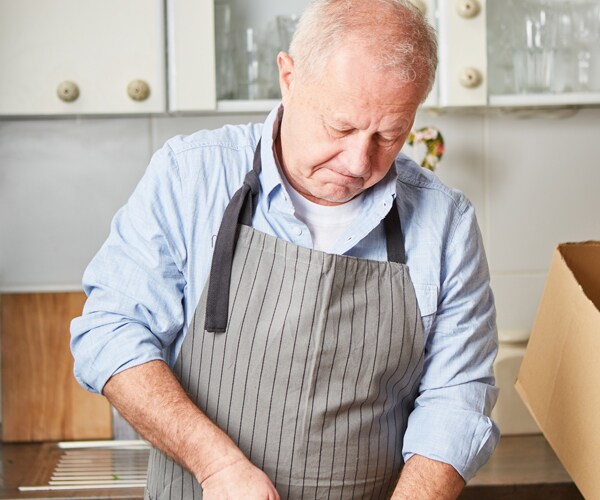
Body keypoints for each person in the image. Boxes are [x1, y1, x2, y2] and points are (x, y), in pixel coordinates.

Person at [71, 0, 499, 498]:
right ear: (289, 78)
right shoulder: (191, 175)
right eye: (340, 127)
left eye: (389, 134)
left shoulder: (447, 222)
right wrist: (217, 466)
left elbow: (457, 395)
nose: (359, 161)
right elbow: (112, 331)